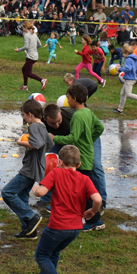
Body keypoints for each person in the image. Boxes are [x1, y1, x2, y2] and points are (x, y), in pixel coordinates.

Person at [26, 145, 101, 274]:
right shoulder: (85, 179)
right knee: (53, 253)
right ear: (79, 164)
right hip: (75, 229)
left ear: (60, 162)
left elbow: (40, 193)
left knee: (41, 255)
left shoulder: (56, 173)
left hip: (57, 226)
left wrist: (34, 187)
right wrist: (92, 212)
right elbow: (97, 199)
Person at [50, 84, 106, 231]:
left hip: (80, 158)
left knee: (83, 191)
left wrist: (55, 138)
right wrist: (89, 139)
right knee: (81, 189)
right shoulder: (87, 112)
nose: (67, 101)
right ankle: (83, 216)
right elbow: (100, 127)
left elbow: (73, 138)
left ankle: (95, 221)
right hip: (88, 154)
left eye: (68, 98)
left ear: (75, 98)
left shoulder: (77, 116)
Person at [2, 99, 53, 239]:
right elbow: (49, 144)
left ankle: (31, 217)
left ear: (30, 114)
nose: (24, 118)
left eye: (24, 115)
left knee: (7, 192)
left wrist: (20, 142)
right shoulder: (43, 126)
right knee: (22, 197)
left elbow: (36, 144)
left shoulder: (34, 127)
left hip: (30, 168)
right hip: (37, 168)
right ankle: (29, 231)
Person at [115, 44, 137, 113]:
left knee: (128, 94)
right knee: (122, 93)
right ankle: (120, 108)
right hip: (131, 78)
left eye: (123, 53)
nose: (122, 54)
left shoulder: (128, 59)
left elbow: (128, 68)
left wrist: (119, 69)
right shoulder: (135, 59)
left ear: (126, 53)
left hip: (129, 79)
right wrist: (134, 72)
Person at [15, 20, 47, 91]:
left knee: (28, 73)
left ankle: (42, 80)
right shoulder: (34, 35)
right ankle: (25, 86)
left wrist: (18, 50)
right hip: (35, 56)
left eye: (22, 27)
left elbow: (26, 46)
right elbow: (40, 44)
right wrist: (33, 49)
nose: (22, 28)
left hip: (30, 57)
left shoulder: (26, 35)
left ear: (25, 27)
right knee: (24, 69)